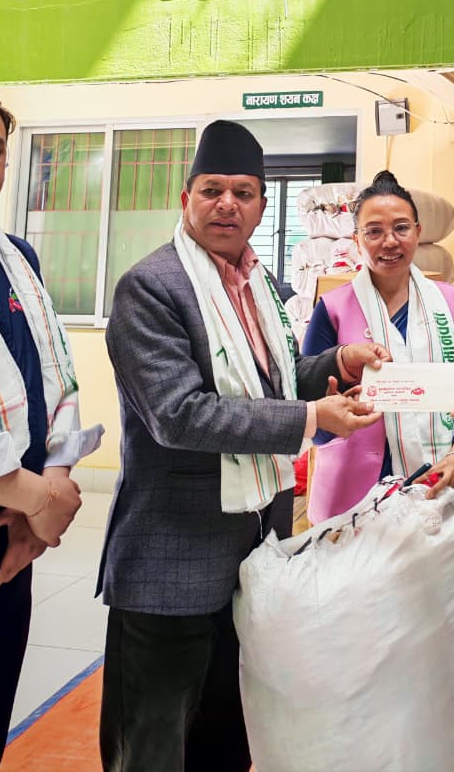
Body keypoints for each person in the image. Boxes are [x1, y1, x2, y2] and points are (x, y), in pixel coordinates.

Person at [97, 120, 384, 772]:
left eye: (243, 192)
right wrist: (311, 417)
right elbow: (180, 416)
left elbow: (269, 380)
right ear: (186, 199)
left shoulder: (261, 284)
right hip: (173, 563)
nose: (227, 204)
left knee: (228, 742)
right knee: (153, 748)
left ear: (260, 204)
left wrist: (338, 361)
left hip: (253, 557)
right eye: (212, 190)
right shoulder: (153, 287)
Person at [0, 98, 102, 766]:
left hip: (16, 537)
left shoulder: (17, 258)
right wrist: (32, 495)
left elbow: (56, 374)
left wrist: (53, 481)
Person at [302, 170, 454, 520]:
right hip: (351, 497)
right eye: (374, 231)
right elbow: (309, 418)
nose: (389, 241)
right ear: (357, 240)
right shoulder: (333, 309)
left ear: (418, 232)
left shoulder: (449, 304)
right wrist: (331, 416)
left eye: (401, 228)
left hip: (437, 484)